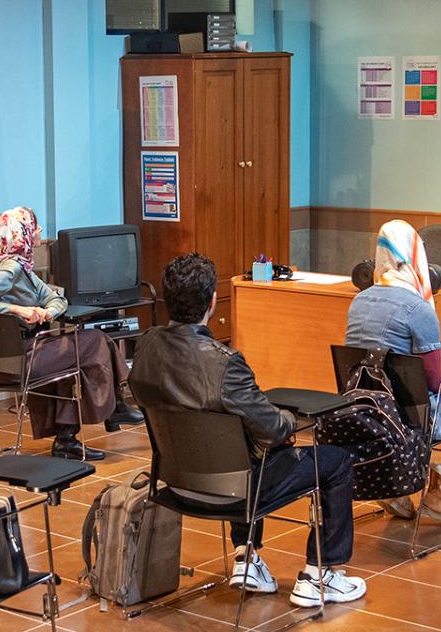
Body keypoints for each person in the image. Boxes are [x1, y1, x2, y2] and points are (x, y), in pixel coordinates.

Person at [129, 253, 365, 606]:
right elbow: (272, 431)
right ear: (212, 301)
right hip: (233, 493)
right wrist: (289, 420)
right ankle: (320, 574)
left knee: (240, 441)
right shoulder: (225, 364)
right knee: (335, 461)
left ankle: (247, 557)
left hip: (174, 484)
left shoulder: (145, 346)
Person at [0, 206, 142, 462]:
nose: (40, 231)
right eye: (35, 227)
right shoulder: (9, 270)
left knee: (76, 356)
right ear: (22, 233)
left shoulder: (21, 267)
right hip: (15, 362)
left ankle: (70, 438)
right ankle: (114, 408)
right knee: (96, 341)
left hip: (8, 361)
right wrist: (18, 309)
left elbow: (57, 300)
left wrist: (47, 313)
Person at [344, 220, 441, 529]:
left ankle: (393, 489)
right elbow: (434, 379)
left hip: (364, 411)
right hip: (409, 416)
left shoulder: (358, 302)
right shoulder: (418, 308)